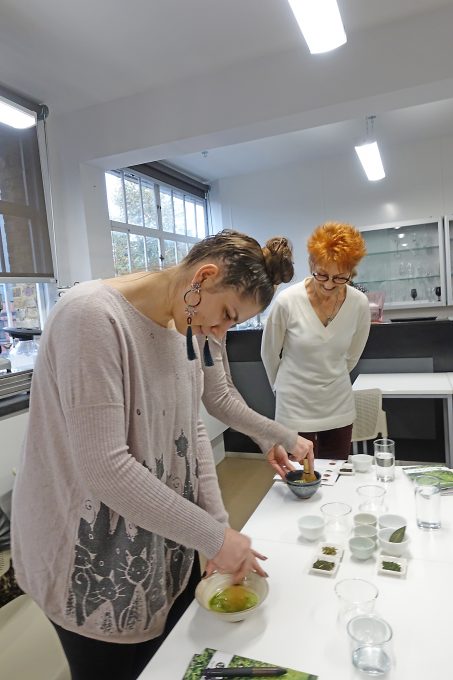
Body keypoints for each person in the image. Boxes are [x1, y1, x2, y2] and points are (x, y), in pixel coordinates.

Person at [12, 229, 312, 680]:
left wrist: (218, 525)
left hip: (162, 538)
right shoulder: (90, 316)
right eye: (226, 315)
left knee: (170, 662)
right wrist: (214, 537)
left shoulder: (189, 323)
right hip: (88, 551)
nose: (221, 332)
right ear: (204, 276)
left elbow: (191, 429)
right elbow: (106, 469)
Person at [261, 221, 371, 460]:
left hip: (338, 405)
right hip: (294, 407)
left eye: (340, 277)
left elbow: (353, 355)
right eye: (322, 274)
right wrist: (282, 388)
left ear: (351, 272)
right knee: (299, 474)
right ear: (311, 264)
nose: (329, 284)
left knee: (337, 473)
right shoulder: (287, 301)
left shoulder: (359, 304)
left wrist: (330, 375)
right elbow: (269, 353)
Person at [198, 334, 314, 479]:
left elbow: (226, 389)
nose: (222, 330)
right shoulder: (204, 329)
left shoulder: (213, 329)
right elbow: (219, 400)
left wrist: (269, 442)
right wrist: (287, 438)